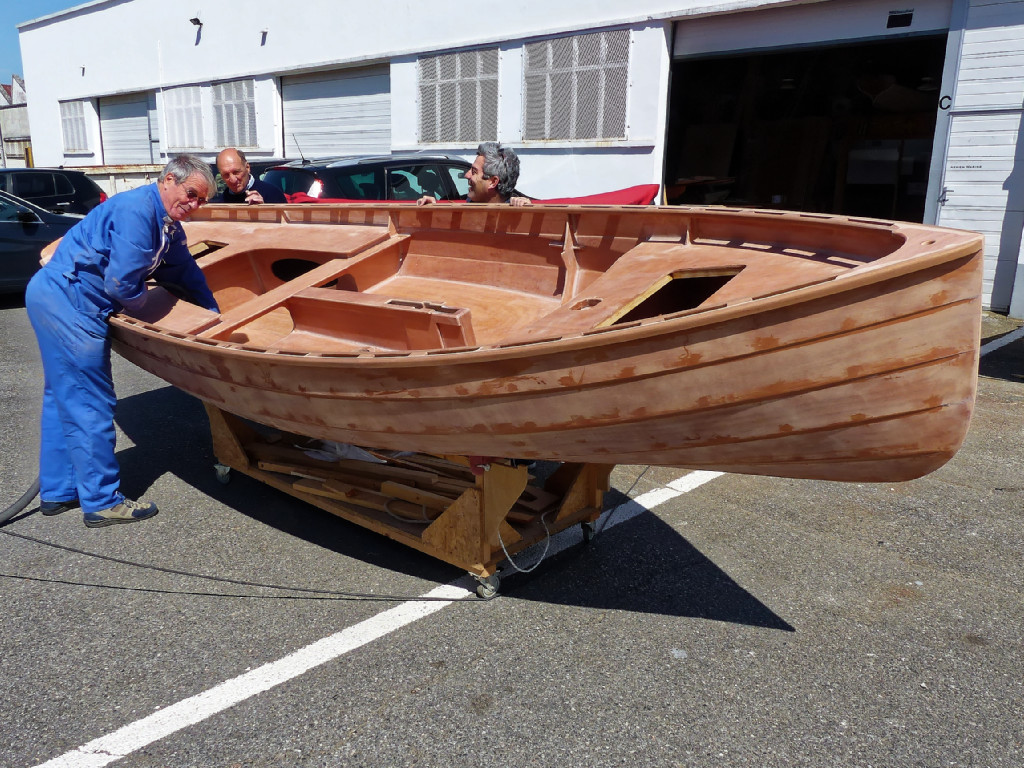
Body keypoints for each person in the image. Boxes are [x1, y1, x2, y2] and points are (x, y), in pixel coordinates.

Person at [25, 154, 220, 528]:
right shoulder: (137, 213)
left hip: (53, 296)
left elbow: (184, 270)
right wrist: (142, 309)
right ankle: (101, 501)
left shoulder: (165, 223)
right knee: (90, 403)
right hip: (71, 304)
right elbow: (121, 284)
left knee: (62, 397)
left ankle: (59, 491)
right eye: (192, 194)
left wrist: (212, 313)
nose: (195, 205)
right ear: (168, 180)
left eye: (203, 200)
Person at [417, 142, 531, 207]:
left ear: (493, 182)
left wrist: (527, 211)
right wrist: (433, 208)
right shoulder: (468, 208)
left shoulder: (515, 216)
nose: (466, 175)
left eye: (474, 172)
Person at [212, 147, 287, 204]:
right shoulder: (220, 201)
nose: (233, 180)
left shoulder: (272, 193)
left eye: (236, 172)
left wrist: (265, 210)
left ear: (247, 167)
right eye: (226, 175)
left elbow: (285, 223)